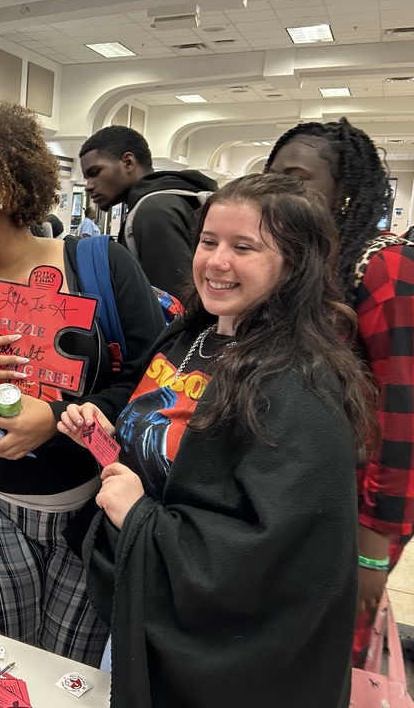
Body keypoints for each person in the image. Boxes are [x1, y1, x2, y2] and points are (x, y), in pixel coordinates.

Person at [59, 173, 376, 706]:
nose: (216, 262)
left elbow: (274, 556)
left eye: (244, 247)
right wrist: (114, 430)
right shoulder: (194, 333)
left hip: (208, 658)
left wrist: (140, 518)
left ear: (296, 264)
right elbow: (169, 428)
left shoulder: (300, 382)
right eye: (208, 241)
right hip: (139, 606)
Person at [0, 98, 164, 664]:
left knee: (72, 670)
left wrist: (61, 418)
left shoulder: (98, 266)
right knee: (3, 663)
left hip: (94, 510)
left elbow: (151, 388)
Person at [266, 118, 414, 664]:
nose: (279, 190)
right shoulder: (292, 266)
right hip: (280, 496)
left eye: (297, 178)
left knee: (321, 654)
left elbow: (403, 423)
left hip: (346, 509)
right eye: (271, 174)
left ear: (344, 193)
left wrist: (374, 553)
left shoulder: (383, 268)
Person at [79, 126, 216, 295]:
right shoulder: (172, 199)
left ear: (128, 162)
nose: (88, 186)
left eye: (95, 172)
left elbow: (176, 306)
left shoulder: (152, 212)